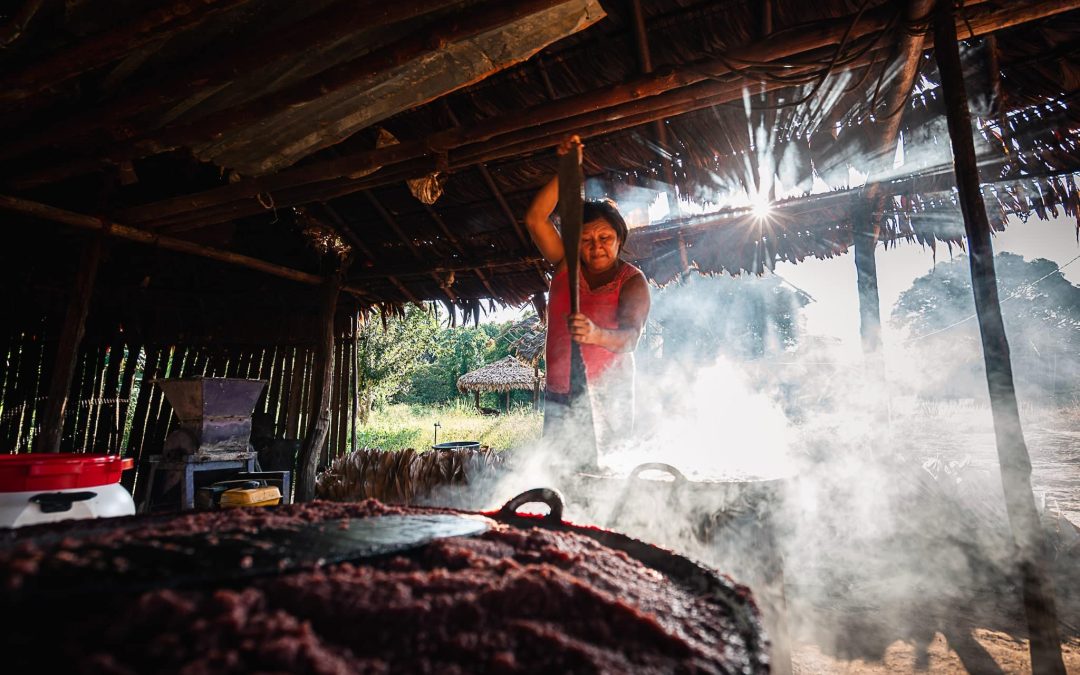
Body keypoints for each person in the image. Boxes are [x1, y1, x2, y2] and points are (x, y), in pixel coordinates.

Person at [524, 136, 650, 464]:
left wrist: (595, 335)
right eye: (586, 239)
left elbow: (630, 339)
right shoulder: (566, 266)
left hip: (610, 396)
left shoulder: (632, 281)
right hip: (560, 391)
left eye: (605, 238)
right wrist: (569, 171)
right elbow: (536, 219)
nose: (596, 246)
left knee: (607, 477)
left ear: (619, 238)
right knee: (561, 476)